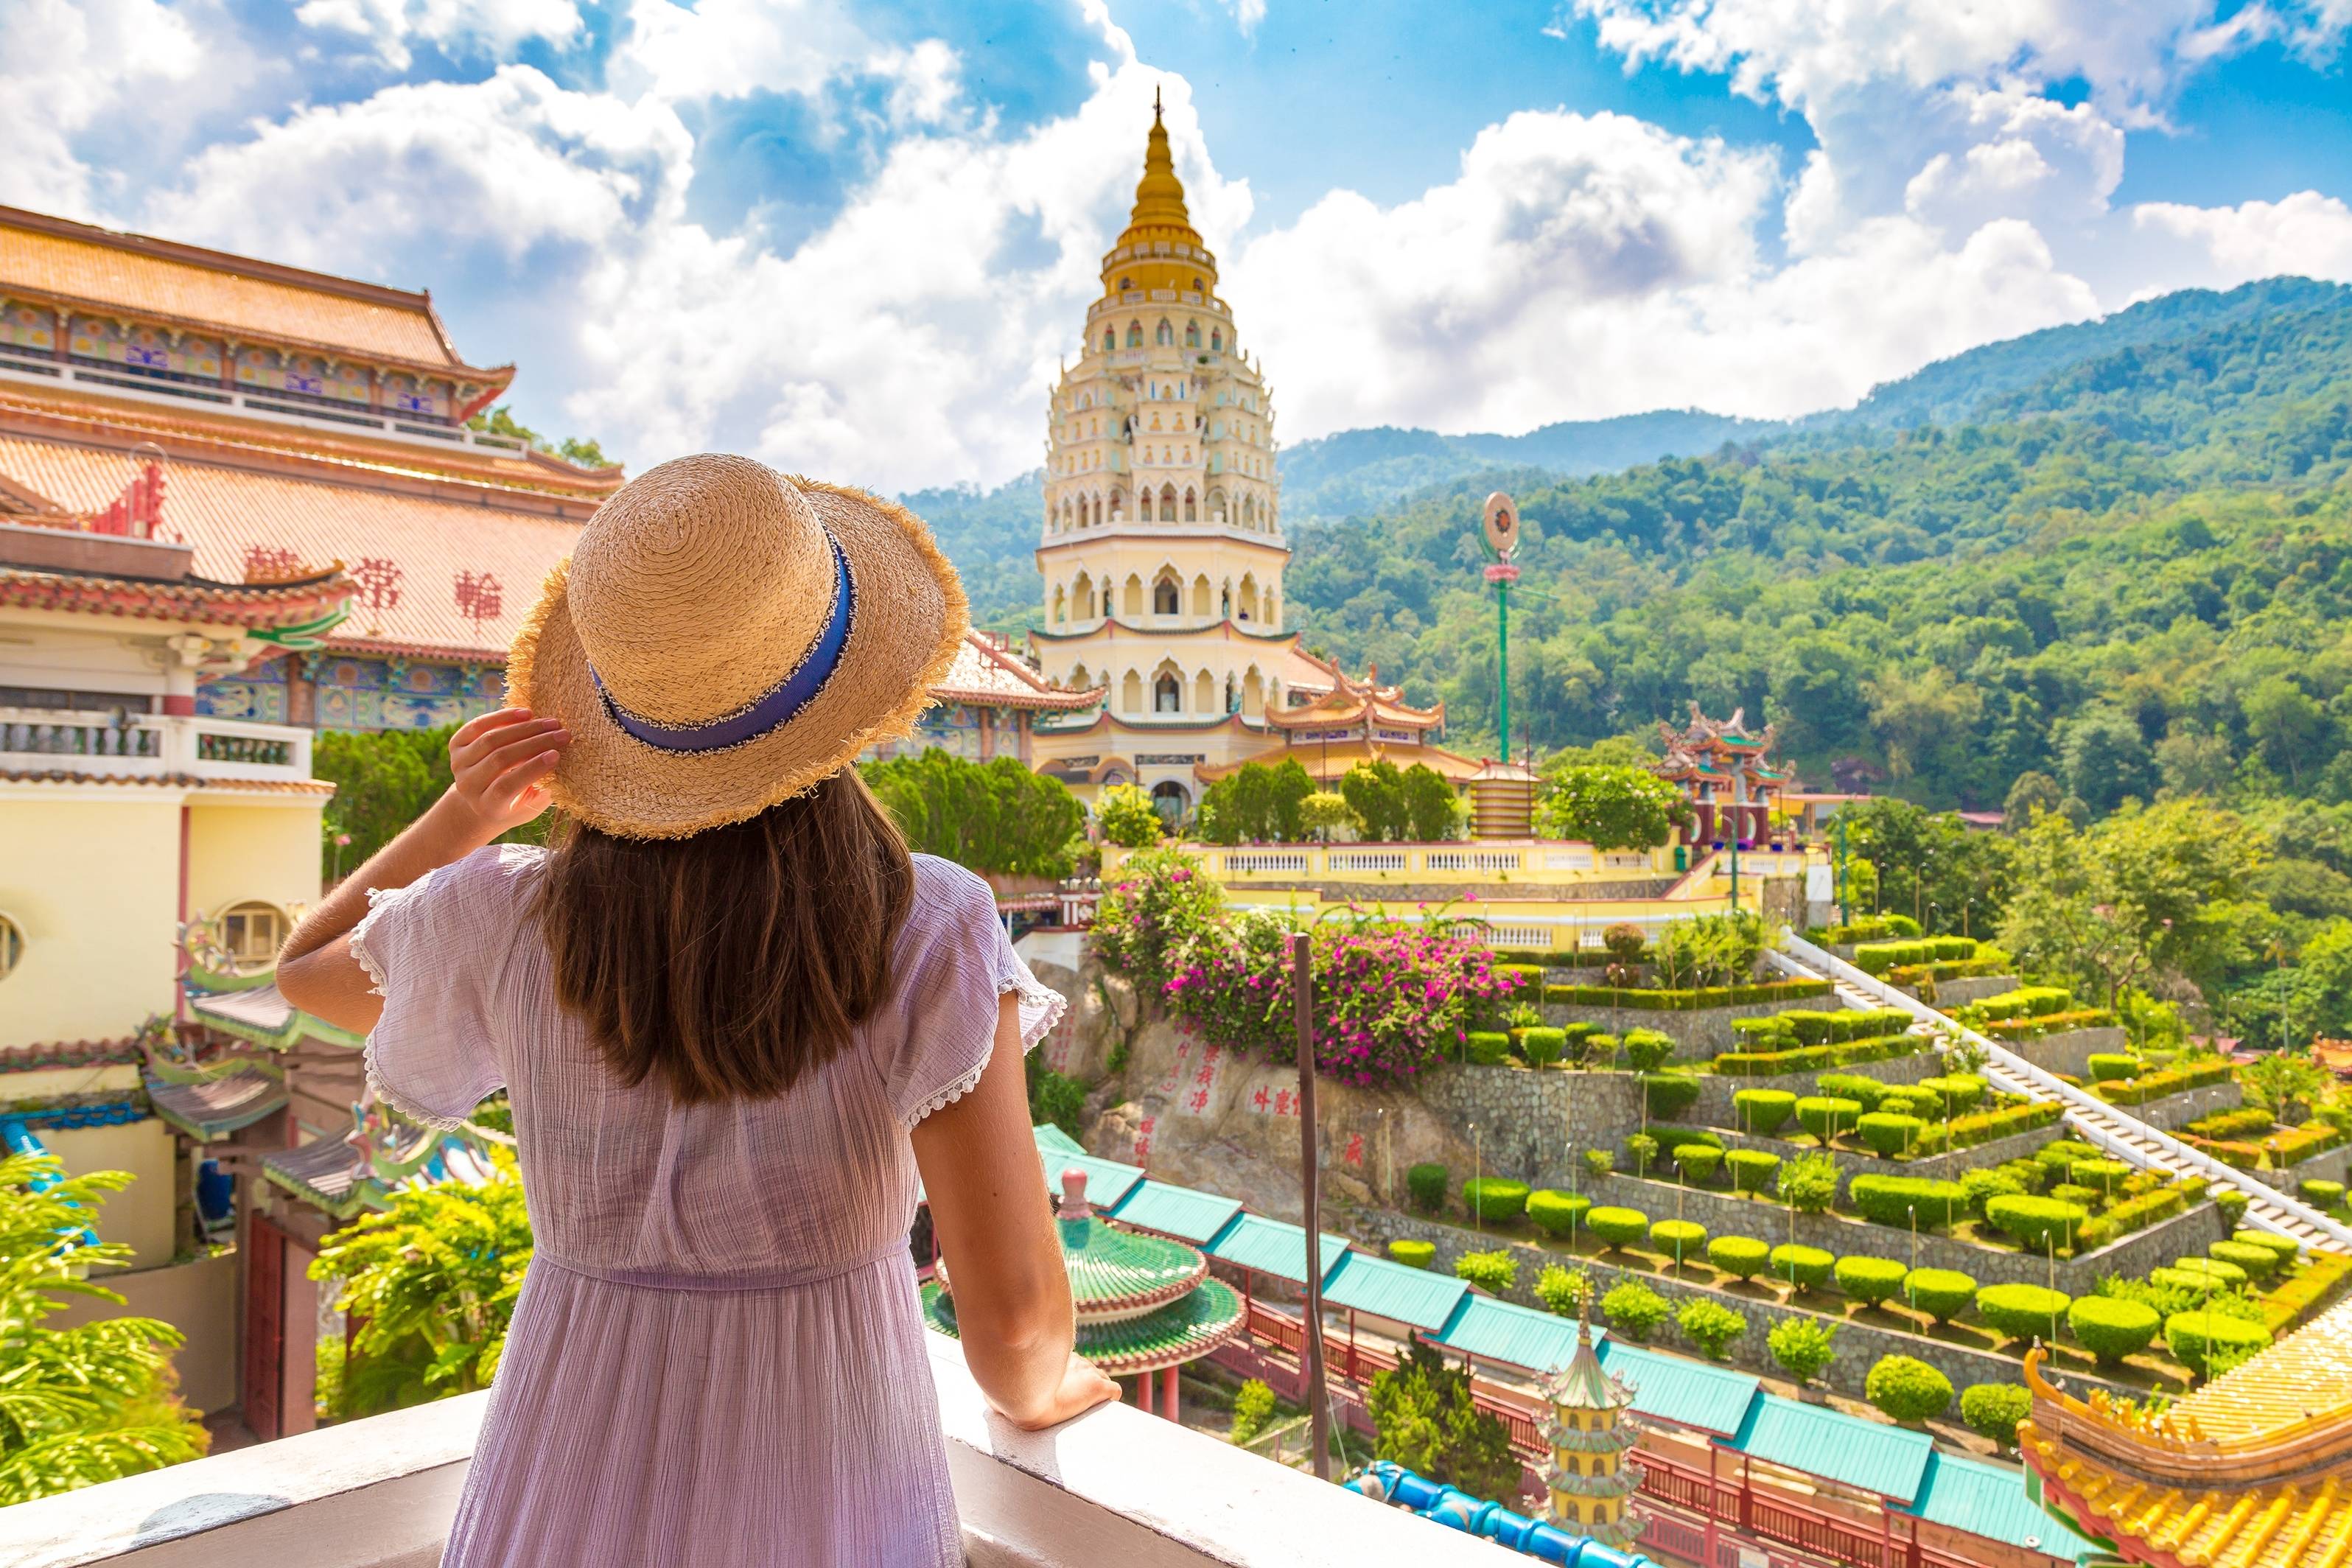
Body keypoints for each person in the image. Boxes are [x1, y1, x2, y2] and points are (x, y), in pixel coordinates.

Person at [279, 455, 1118, 1567]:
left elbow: (305, 968)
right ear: (845, 703)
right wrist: (1057, 1384)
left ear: (617, 710)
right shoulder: (927, 922)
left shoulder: (507, 914)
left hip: (559, 1465)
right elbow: (1011, 1329)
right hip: (829, 1474)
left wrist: (463, 815)